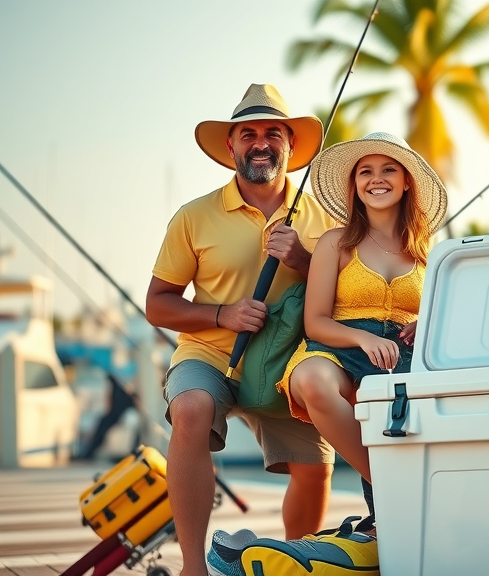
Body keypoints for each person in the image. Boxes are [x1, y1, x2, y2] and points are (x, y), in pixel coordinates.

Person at [145, 83, 338, 576]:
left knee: (316, 468)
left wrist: (305, 260)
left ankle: (297, 565)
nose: (260, 143)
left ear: (291, 145)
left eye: (273, 133)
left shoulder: (328, 218)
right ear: (231, 145)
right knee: (190, 408)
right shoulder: (193, 216)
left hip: (289, 362)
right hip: (210, 356)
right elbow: (157, 304)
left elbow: (346, 296)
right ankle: (193, 567)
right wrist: (222, 315)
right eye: (248, 133)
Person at [277, 131, 447, 533]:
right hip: (338, 346)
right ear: (354, 184)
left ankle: (393, 518)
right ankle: (396, 490)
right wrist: (364, 338)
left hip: (404, 356)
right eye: (365, 171)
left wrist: (427, 323)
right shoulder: (335, 242)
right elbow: (316, 321)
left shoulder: (430, 250)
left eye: (389, 169)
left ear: (407, 182)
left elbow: (447, 313)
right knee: (312, 381)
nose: (376, 179)